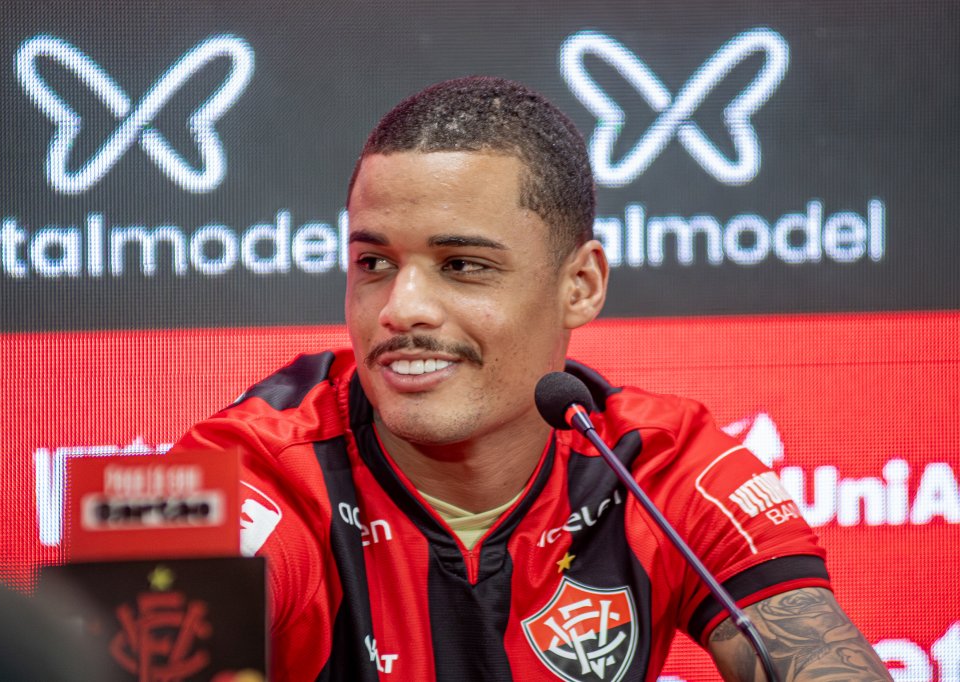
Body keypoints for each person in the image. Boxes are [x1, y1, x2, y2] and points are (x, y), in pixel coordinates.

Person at [171, 76, 890, 681]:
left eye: (463, 265)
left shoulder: (658, 465)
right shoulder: (255, 466)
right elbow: (157, 623)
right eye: (374, 263)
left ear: (580, 285)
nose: (399, 308)